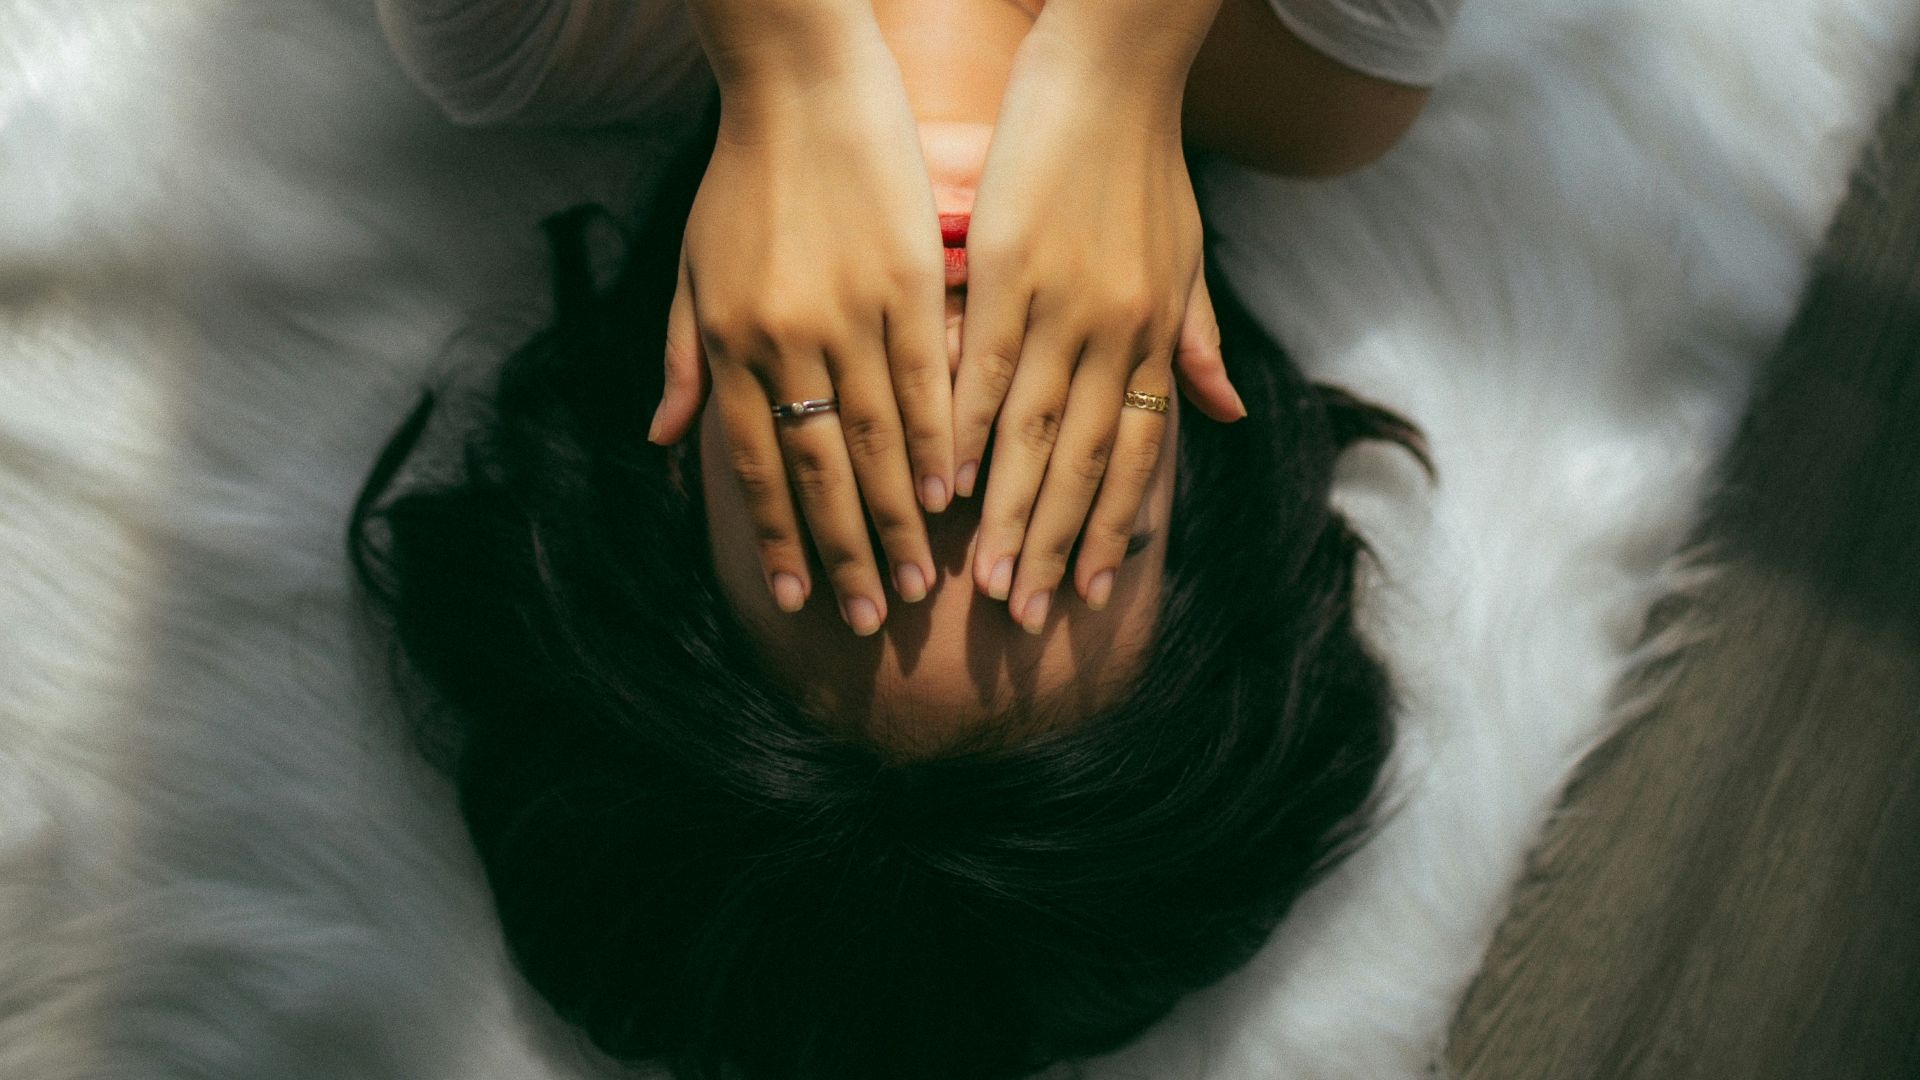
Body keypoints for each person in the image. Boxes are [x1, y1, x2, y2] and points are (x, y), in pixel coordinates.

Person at [350, 1, 1445, 1078]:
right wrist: (1124, 62)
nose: (949, 410)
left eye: (857, 519)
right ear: (1193, 438)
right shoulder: (1336, 69)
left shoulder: (516, 26)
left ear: (675, 443)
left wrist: (790, 57)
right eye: (1048, 497)